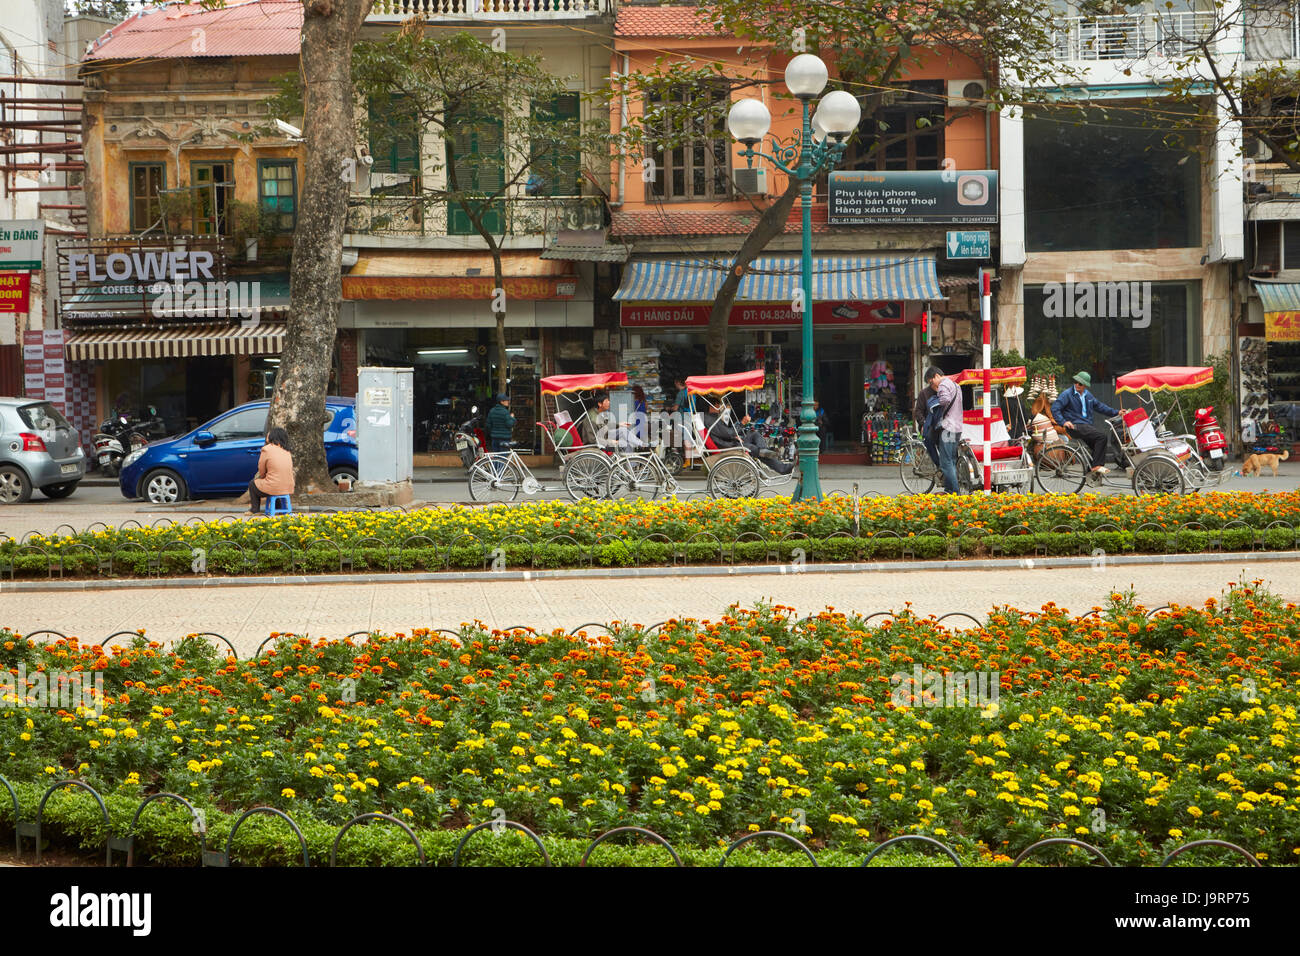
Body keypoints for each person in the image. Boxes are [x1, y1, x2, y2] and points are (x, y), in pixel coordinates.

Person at [700, 395, 793, 475]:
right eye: (718, 405)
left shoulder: (711, 418)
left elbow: (725, 433)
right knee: (753, 448)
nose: (720, 407)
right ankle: (777, 463)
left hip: (729, 441)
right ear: (712, 406)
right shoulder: (709, 419)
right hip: (727, 446)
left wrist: (734, 435)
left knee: (754, 434)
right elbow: (728, 433)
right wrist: (742, 423)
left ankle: (764, 452)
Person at [1051, 371, 1119, 473]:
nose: (1077, 385)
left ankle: (1090, 473)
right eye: (1076, 382)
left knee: (1098, 445)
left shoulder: (1088, 396)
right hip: (1075, 426)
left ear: (1085, 386)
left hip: (1086, 426)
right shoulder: (1067, 394)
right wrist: (1063, 422)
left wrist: (1117, 412)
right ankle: (1096, 466)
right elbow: (1055, 408)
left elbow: (1100, 407)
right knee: (1102, 437)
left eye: (1080, 384)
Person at [924, 366, 962, 493]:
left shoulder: (943, 385)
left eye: (931, 381)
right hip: (957, 428)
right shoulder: (956, 385)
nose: (932, 385)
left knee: (945, 462)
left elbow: (945, 399)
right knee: (951, 460)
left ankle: (954, 492)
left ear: (936, 376)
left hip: (947, 428)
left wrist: (936, 404)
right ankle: (949, 489)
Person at [247, 426, 294, 515]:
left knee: (252, 484)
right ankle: (279, 508)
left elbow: (261, 469)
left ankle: (254, 509)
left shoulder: (267, 449)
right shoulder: (287, 450)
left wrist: (262, 476)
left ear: (273, 436)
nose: (267, 435)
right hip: (288, 487)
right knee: (273, 484)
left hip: (274, 486)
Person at [913, 380, 938, 468]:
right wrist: (923, 423)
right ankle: (938, 464)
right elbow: (918, 411)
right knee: (929, 441)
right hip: (927, 426)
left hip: (940, 426)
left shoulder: (944, 391)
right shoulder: (924, 393)